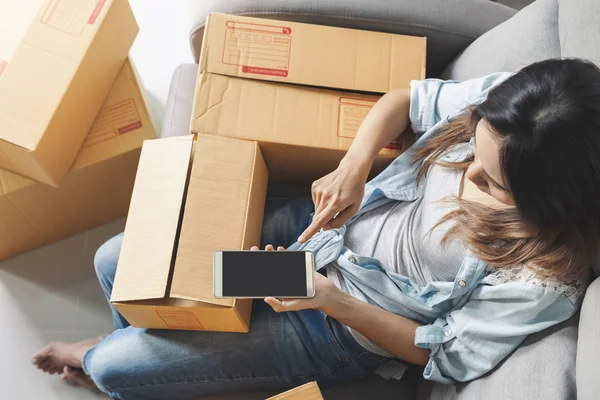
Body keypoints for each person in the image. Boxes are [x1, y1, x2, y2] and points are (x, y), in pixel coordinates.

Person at [32, 58, 600, 399]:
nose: (465, 176)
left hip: (334, 322)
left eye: (491, 184)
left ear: (551, 206)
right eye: (471, 152)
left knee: (112, 365)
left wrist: (326, 300)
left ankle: (103, 356)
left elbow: (441, 354)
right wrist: (354, 167)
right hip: (317, 235)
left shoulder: (542, 278)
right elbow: (406, 99)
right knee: (116, 260)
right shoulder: (522, 111)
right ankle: (137, 346)